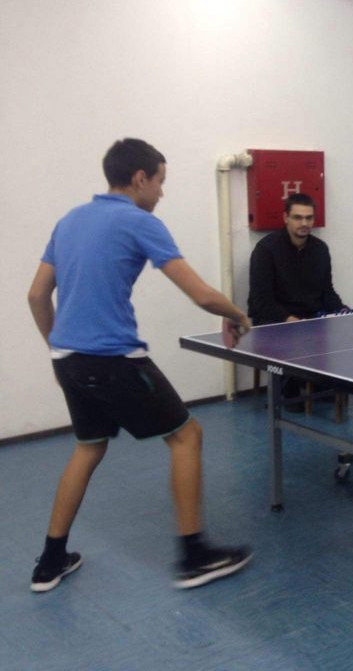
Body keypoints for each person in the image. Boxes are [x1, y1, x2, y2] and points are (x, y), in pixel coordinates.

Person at [27, 138, 254, 593]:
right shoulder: (139, 221)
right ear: (139, 178)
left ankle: (49, 562)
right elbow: (200, 293)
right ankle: (194, 557)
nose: (162, 193)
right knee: (187, 435)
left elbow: (36, 295)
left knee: (89, 447)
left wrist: (58, 348)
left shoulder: (70, 220)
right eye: (160, 182)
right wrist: (238, 314)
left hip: (68, 358)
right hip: (113, 359)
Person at [248, 193, 347, 325]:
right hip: (275, 324)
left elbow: (327, 292)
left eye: (309, 218)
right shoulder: (266, 250)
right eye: (298, 218)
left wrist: (343, 310)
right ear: (286, 218)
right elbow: (262, 302)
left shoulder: (320, 249)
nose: (304, 223)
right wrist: (291, 321)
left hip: (312, 321)